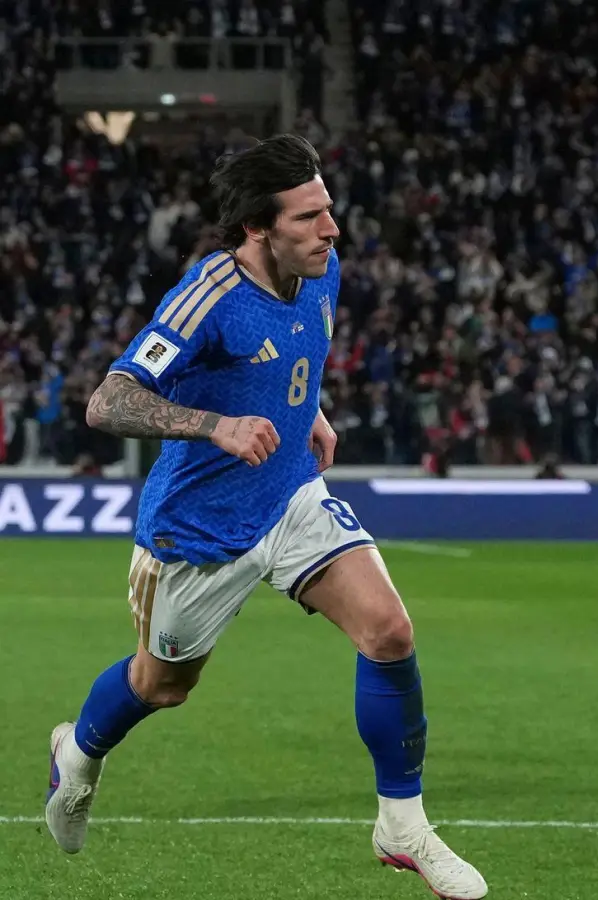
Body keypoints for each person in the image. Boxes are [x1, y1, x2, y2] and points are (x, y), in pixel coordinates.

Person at [45, 134, 487, 900]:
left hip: (288, 495)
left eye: (328, 209)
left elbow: (291, 354)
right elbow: (108, 401)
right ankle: (76, 755)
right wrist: (214, 426)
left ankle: (403, 826)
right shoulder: (209, 295)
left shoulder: (320, 269)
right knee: (161, 685)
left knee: (389, 631)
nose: (331, 229)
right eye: (308, 217)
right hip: (199, 529)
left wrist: (309, 409)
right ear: (257, 226)